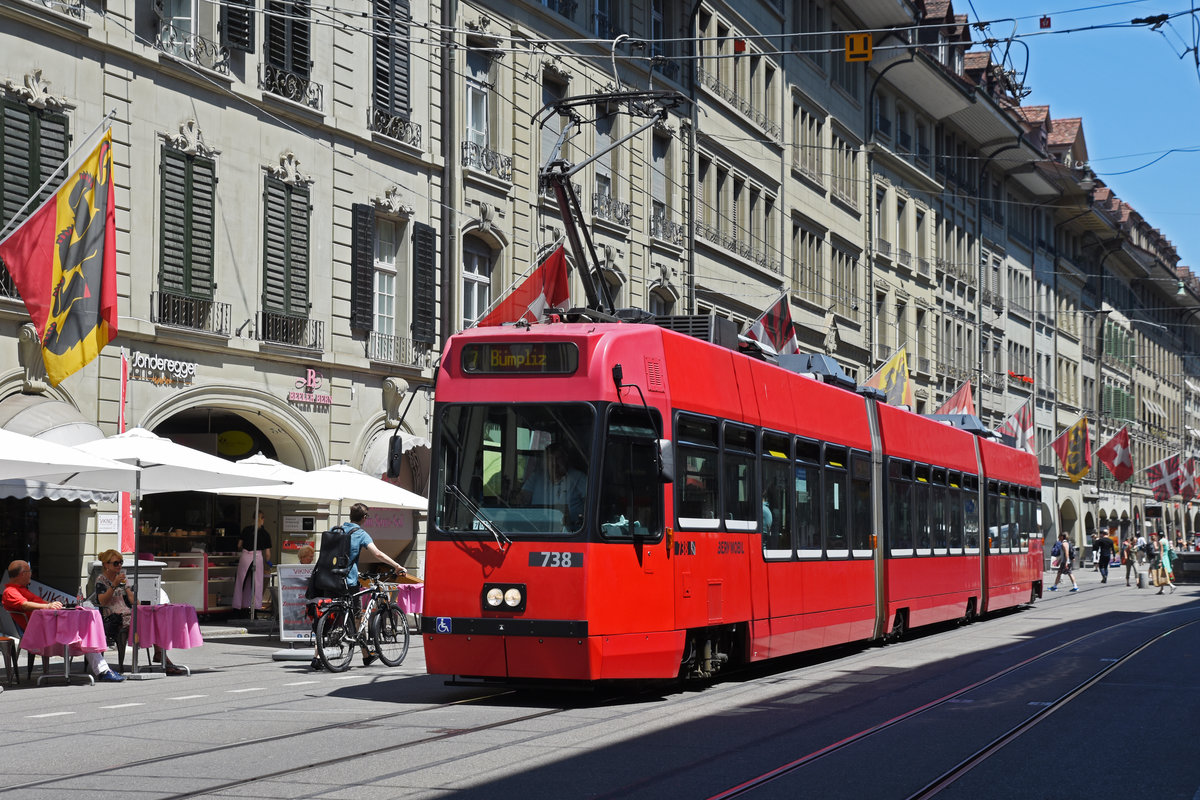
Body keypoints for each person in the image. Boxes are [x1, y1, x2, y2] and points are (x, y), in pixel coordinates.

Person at [311, 503, 406, 671]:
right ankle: (365, 653)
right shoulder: (361, 534)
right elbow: (377, 553)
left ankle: (319, 657)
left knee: (328, 615)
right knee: (357, 617)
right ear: (364, 518)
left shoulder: (336, 529)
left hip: (329, 578)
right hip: (348, 581)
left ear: (350, 515)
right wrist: (397, 566)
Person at [2, 560, 124, 682]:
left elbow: (41, 603)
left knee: (82, 631)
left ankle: (103, 670)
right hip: (37, 631)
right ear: (23, 574)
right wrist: (48, 606)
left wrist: (53, 605)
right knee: (83, 633)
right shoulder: (11, 591)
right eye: (29, 572)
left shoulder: (22, 589)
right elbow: (25, 605)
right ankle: (103, 671)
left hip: (47, 626)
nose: (31, 574)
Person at [93, 550, 185, 675]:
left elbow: (135, 602)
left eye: (121, 562)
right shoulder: (101, 579)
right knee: (148, 622)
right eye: (116, 563)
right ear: (106, 564)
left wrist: (128, 589)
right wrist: (114, 585)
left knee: (155, 620)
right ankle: (161, 657)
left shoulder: (121, 577)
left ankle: (160, 654)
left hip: (127, 613)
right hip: (113, 616)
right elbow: (102, 601)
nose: (119, 566)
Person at [518, 441, 586, 526]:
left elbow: (590, 505)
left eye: (558, 459)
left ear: (565, 459)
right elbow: (522, 499)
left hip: (570, 531)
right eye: (550, 459)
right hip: (537, 527)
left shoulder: (578, 478)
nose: (554, 463)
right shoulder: (537, 477)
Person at [234, 511, 272, 611]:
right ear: (262, 519)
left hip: (245, 555)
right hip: (257, 556)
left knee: (242, 581)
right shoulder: (265, 534)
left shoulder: (246, 530)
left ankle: (239, 606)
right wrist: (268, 562)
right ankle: (256, 608)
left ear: (253, 518)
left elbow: (239, 545)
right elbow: (267, 554)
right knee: (257, 583)